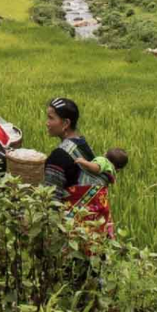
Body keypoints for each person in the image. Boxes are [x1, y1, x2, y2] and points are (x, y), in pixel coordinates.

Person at [43, 97, 115, 238]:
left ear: (65, 123)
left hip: (74, 236)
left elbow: (51, 200)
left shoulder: (58, 156)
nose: (47, 123)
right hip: (96, 228)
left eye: (51, 118)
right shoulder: (82, 144)